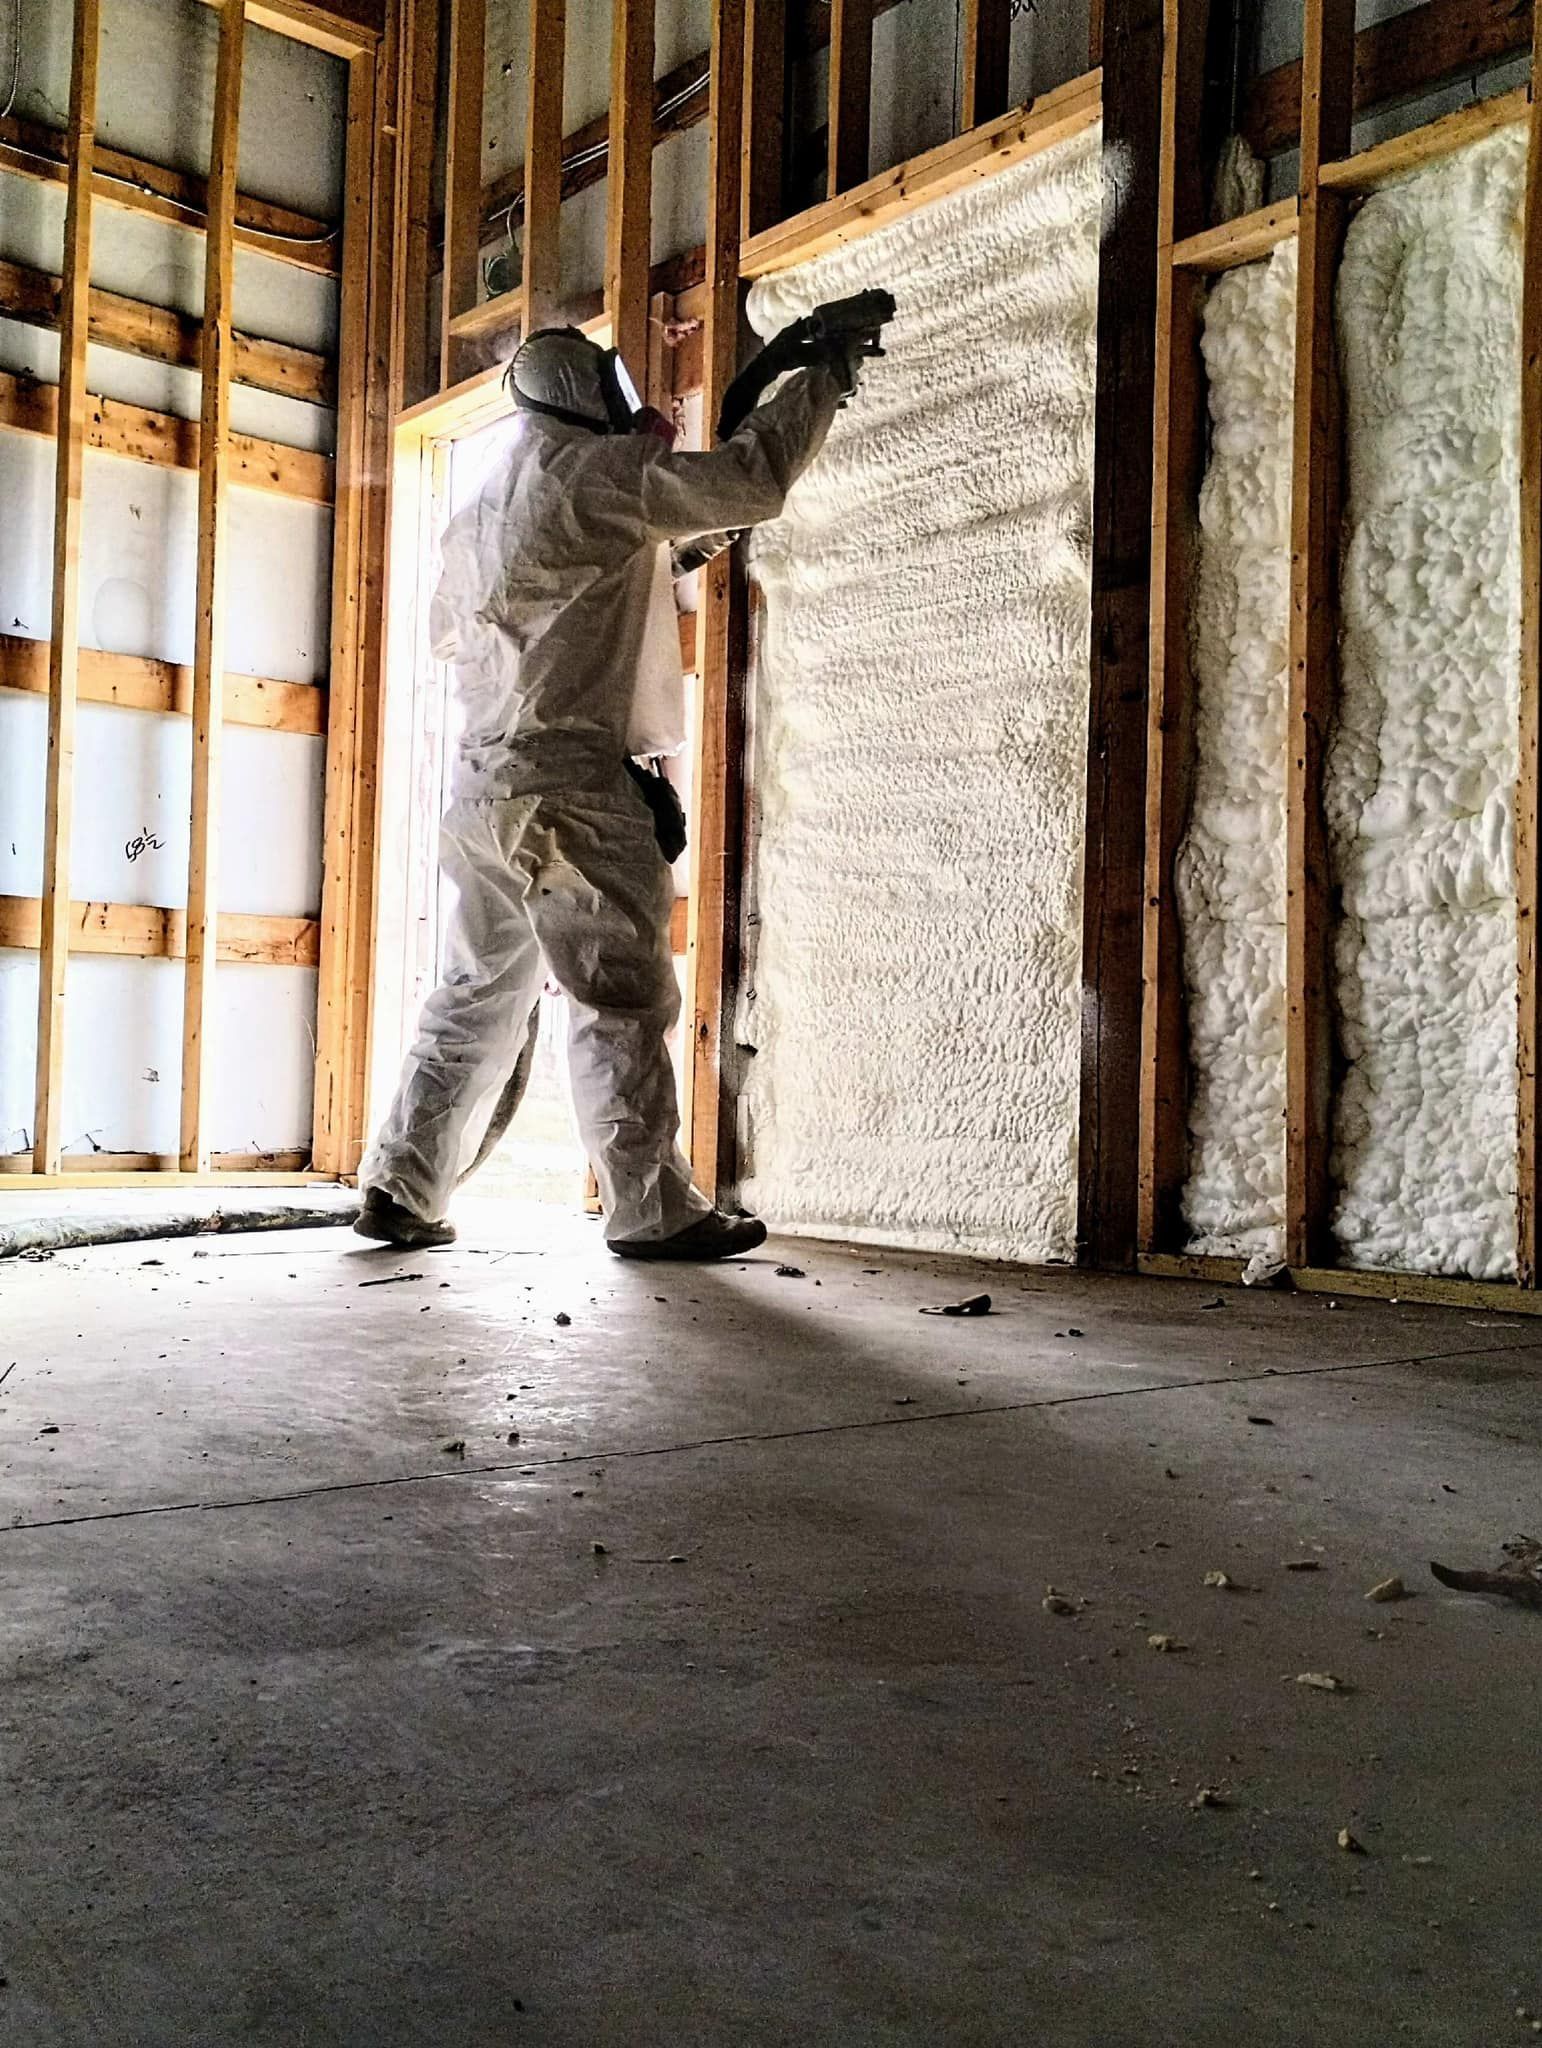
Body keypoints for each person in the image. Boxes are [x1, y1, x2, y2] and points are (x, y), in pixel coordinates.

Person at [355, 318, 868, 1257]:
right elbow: (751, 479)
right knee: (618, 998)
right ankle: (651, 1209)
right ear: (588, 393)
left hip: (478, 790)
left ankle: (401, 1183)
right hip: (571, 794)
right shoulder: (601, 475)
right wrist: (821, 379)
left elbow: (548, 593)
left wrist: (665, 552)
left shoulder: (480, 506)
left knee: (471, 994)